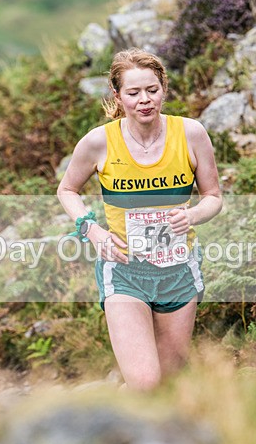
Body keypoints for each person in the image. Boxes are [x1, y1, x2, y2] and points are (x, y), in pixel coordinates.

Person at [57, 48, 222, 390]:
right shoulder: (98, 142)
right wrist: (91, 231)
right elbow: (67, 190)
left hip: (178, 269)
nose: (144, 100)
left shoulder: (191, 134)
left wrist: (191, 216)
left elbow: (214, 198)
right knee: (146, 382)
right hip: (125, 270)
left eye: (152, 90)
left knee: (169, 381)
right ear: (118, 96)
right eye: (133, 93)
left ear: (164, 88)